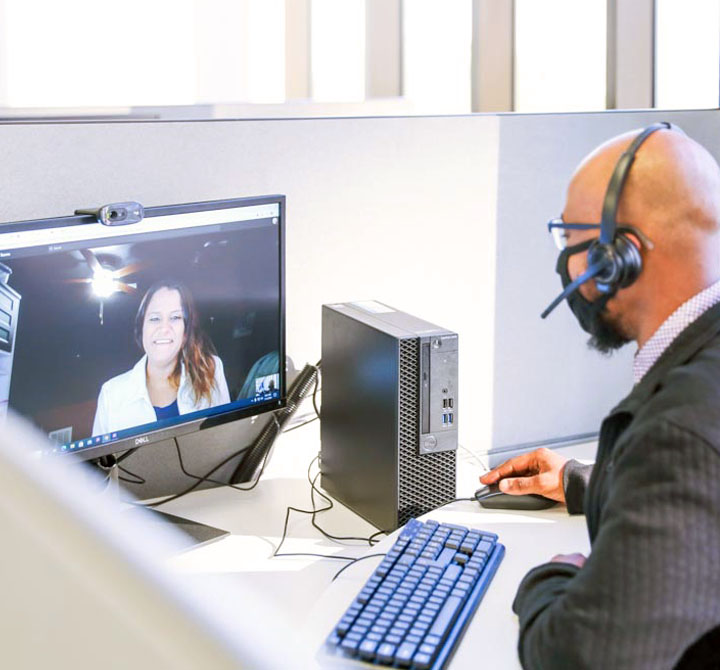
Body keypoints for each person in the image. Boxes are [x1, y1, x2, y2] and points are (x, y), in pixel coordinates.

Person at [481, 126, 720, 668]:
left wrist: (554, 575)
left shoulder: (679, 431)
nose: (564, 259)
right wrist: (589, 481)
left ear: (619, 257)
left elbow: (580, 657)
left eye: (571, 238)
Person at [93, 280, 230, 435]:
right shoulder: (111, 394)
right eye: (155, 318)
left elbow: (227, 439)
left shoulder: (211, 369)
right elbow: (102, 459)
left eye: (175, 317)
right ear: (141, 327)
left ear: (185, 332)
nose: (164, 328)